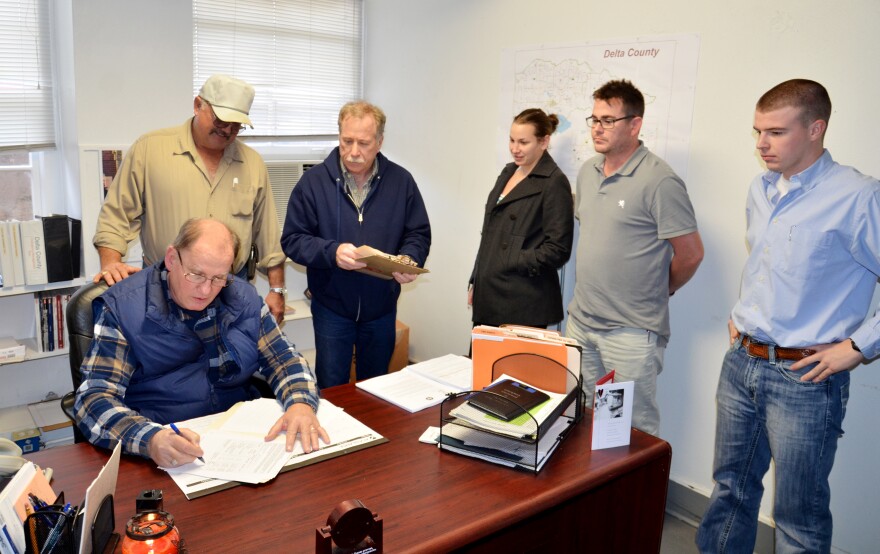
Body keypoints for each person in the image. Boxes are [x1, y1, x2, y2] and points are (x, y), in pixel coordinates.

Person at [696, 79, 880, 553]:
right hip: (742, 363)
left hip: (804, 377)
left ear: (816, 128)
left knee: (798, 515)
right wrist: (743, 318)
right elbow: (767, 265)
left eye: (775, 132)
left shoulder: (860, 197)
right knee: (729, 491)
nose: (761, 144)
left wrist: (858, 347)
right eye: (758, 131)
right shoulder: (761, 190)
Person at [75, 218, 328, 468]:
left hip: (241, 443)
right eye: (196, 274)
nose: (206, 290)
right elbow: (93, 399)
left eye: (219, 277)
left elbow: (284, 359)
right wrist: (150, 439)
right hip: (165, 448)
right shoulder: (125, 308)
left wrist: (301, 403)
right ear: (172, 258)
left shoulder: (243, 297)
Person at [566, 79, 704, 436]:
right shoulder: (587, 172)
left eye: (608, 120)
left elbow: (690, 254)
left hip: (628, 333)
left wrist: (663, 288)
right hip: (582, 324)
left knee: (626, 433)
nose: (598, 128)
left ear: (635, 124)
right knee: (581, 422)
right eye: (594, 119)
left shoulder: (659, 180)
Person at [92, 74, 288, 322]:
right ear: (198, 105)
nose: (227, 130)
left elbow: (268, 235)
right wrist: (110, 264)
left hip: (230, 289)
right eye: (221, 119)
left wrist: (277, 289)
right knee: (166, 360)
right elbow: (115, 217)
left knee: (233, 359)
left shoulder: (252, 164)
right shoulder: (150, 150)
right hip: (166, 288)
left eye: (236, 125)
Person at [281, 101, 431, 389]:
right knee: (333, 387)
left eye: (363, 143)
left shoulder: (401, 181)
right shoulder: (313, 183)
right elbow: (293, 240)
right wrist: (331, 252)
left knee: (376, 388)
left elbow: (418, 233)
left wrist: (410, 258)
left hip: (381, 308)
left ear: (379, 142)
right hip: (332, 307)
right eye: (346, 141)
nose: (353, 151)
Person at [468, 108, 573, 329]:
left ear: (544, 142)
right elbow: (490, 232)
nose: (515, 149)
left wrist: (512, 259)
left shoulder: (554, 182)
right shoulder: (508, 172)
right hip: (489, 292)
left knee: (510, 364)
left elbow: (558, 249)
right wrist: (476, 278)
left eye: (523, 142)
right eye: (512, 140)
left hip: (523, 299)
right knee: (480, 363)